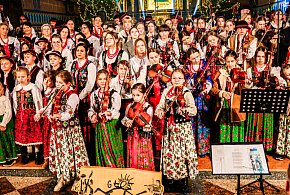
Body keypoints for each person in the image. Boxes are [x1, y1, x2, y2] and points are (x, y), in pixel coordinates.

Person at [35, 70, 89, 191]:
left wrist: (58, 116)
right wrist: (41, 112)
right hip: (58, 130)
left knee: (71, 153)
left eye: (61, 83)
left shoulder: (73, 96)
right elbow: (49, 107)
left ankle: (78, 177)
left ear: (68, 83)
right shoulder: (55, 92)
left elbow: (68, 114)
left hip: (70, 131)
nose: (58, 85)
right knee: (61, 154)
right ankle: (63, 177)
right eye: (57, 82)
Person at [155, 68, 198, 193]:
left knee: (181, 154)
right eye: (174, 78)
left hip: (182, 128)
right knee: (171, 153)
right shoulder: (167, 91)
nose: (177, 80)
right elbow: (160, 105)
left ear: (184, 80)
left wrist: (185, 111)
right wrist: (159, 111)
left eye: (179, 78)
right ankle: (170, 180)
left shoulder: (186, 93)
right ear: (171, 80)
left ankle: (183, 181)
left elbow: (194, 110)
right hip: (170, 127)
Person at [88, 69, 124, 167]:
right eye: (100, 79)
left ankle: (116, 168)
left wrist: (109, 113)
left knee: (112, 147)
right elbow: (92, 108)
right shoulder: (94, 94)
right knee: (102, 147)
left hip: (111, 125)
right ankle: (104, 169)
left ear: (109, 80)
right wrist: (93, 115)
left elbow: (116, 110)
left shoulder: (114, 94)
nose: (103, 81)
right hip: (100, 125)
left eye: (105, 79)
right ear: (96, 81)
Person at [210, 50, 246, 143]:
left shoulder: (241, 72)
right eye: (228, 61)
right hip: (224, 106)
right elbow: (212, 89)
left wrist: (244, 83)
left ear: (236, 61)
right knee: (224, 128)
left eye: (232, 61)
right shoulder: (220, 72)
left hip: (236, 105)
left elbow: (244, 91)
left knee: (237, 129)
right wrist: (222, 93)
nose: (230, 64)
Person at [69, 43, 97, 164]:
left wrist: (80, 97)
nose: (79, 53)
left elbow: (90, 84)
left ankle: (89, 153)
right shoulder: (73, 64)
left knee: (86, 125)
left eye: (82, 50)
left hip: (85, 97)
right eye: (77, 50)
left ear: (86, 52)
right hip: (74, 96)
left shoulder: (90, 65)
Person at [185, 47, 212, 157]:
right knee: (192, 122)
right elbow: (186, 83)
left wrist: (207, 88)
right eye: (193, 58)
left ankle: (203, 149)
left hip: (202, 98)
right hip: (192, 97)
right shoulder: (187, 68)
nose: (196, 60)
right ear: (189, 59)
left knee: (203, 122)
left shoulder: (205, 65)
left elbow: (209, 79)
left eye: (197, 57)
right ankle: (193, 148)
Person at [12, 67, 43, 164]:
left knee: (34, 134)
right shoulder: (16, 89)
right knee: (24, 135)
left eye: (23, 77)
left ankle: (37, 154)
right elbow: (15, 103)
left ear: (28, 77)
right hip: (21, 115)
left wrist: (38, 113)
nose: (20, 79)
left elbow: (38, 101)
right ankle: (27, 154)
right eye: (18, 77)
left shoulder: (33, 87)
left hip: (31, 115)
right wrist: (17, 112)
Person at [121, 83, 155, 171]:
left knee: (143, 155)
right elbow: (124, 118)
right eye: (133, 95)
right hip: (132, 135)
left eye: (138, 95)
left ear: (144, 95)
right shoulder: (130, 106)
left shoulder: (148, 107)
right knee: (133, 154)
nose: (135, 98)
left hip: (142, 136)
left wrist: (145, 123)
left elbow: (148, 122)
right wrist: (127, 122)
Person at [0, 81, 17, 166]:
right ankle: (1, 158)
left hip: (4, 120)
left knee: (6, 139)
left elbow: (8, 112)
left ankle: (10, 157)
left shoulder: (4, 99)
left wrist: (3, 123)